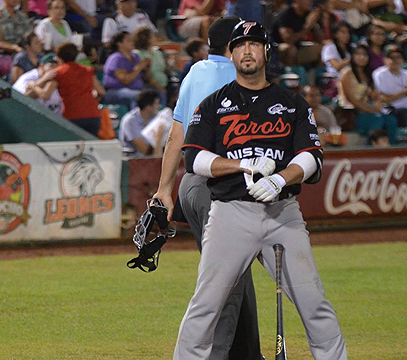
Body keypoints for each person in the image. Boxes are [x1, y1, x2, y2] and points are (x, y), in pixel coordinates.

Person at [174, 21, 348, 360]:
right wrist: (244, 166)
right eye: (240, 45)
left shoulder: (292, 104)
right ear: (232, 53)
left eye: (254, 44)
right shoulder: (213, 105)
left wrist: (281, 179)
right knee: (205, 306)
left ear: (266, 51)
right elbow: (194, 158)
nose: (247, 51)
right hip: (229, 213)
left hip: (282, 215)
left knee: (314, 305)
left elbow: (311, 156)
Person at [153, 17, 264, 360]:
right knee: (226, 282)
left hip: (190, 185)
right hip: (224, 189)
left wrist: (164, 190)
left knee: (235, 273)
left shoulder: (195, 73)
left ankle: (248, 353)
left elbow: (175, 137)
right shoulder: (245, 78)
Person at [38, 43, 105, 135]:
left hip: (72, 115)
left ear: (59, 58)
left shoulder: (58, 72)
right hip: (93, 114)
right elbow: (101, 91)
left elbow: (45, 95)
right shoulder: (88, 70)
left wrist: (33, 86)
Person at [338, 44, 398, 143]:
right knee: (377, 121)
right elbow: (351, 100)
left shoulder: (369, 74)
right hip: (353, 112)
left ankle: (390, 149)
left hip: (369, 109)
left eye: (365, 55)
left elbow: (375, 96)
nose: (362, 57)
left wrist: (376, 100)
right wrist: (372, 110)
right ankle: (371, 149)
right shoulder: (346, 73)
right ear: (352, 56)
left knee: (391, 120)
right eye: (358, 54)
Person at [102, 31, 150, 110]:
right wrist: (140, 67)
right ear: (119, 43)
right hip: (115, 91)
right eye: (128, 41)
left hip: (137, 89)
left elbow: (145, 78)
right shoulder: (115, 58)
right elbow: (125, 80)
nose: (132, 42)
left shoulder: (135, 57)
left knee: (155, 94)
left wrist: (146, 67)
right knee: (139, 97)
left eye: (132, 40)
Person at [271, 0, 324, 66]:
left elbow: (321, 39)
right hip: (278, 46)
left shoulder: (307, 13)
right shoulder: (286, 13)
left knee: (321, 48)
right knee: (291, 50)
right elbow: (288, 40)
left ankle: (317, 74)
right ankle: (290, 72)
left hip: (298, 45)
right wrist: (307, 27)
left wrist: (316, 21)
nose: (310, 2)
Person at [119, 89, 164, 157]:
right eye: (156, 103)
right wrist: (158, 139)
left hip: (151, 158)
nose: (159, 106)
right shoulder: (130, 120)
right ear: (148, 107)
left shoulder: (156, 117)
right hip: (133, 160)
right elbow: (144, 150)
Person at [373, 44, 407, 127]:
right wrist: (404, 92)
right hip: (390, 110)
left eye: (398, 57)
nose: (395, 60)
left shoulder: (405, 73)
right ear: (385, 60)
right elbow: (385, 99)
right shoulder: (379, 74)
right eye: (392, 57)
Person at [132, 26, 168, 105]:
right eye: (153, 36)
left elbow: (164, 69)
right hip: (148, 85)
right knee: (159, 93)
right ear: (145, 38)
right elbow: (144, 76)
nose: (155, 38)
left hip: (164, 84)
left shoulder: (157, 52)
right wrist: (158, 86)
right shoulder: (137, 54)